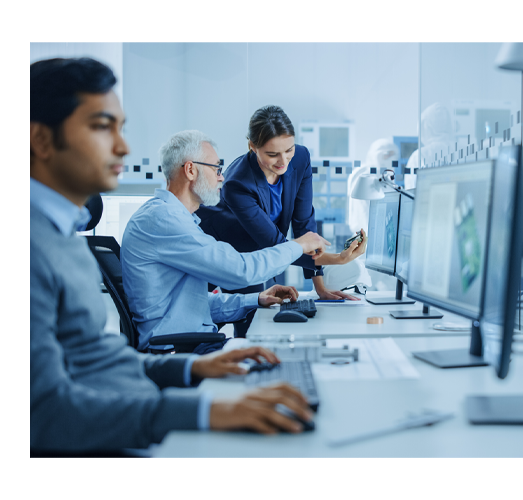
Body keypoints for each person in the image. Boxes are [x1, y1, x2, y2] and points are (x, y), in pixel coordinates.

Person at [30, 57, 315, 454]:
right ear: (41, 140)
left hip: (158, 371)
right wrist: (200, 410)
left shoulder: (62, 235)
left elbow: (98, 360)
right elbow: (45, 414)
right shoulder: (155, 221)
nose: (123, 146)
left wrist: (194, 366)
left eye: (121, 128)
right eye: (101, 126)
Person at [121, 129, 330, 353]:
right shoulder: (162, 219)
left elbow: (194, 307)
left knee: (288, 352)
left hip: (191, 344)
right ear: (191, 170)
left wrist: (257, 299)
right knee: (286, 357)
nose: (221, 177)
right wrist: (299, 245)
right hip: (178, 352)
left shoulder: (179, 219)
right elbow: (241, 270)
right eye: (216, 168)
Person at [197, 106, 367, 337]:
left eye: (289, 149)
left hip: (262, 248)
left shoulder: (301, 158)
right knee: (248, 325)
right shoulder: (237, 184)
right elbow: (275, 245)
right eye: (272, 154)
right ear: (252, 147)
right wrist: (337, 259)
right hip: (230, 249)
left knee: (265, 316)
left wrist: (321, 287)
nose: (283, 160)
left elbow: (304, 225)